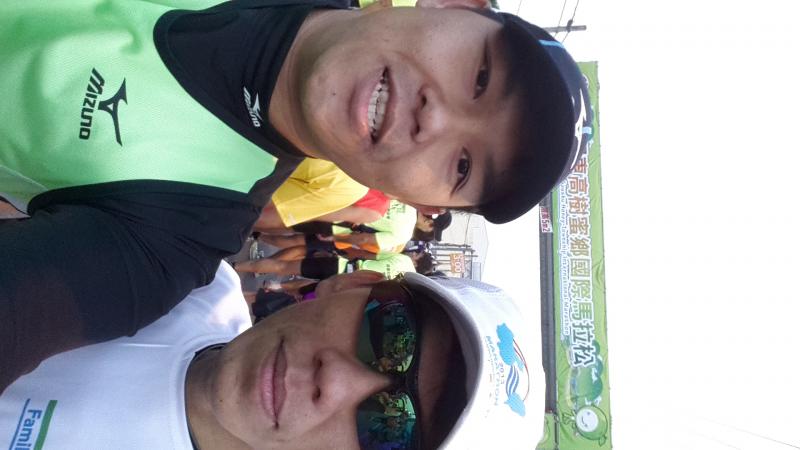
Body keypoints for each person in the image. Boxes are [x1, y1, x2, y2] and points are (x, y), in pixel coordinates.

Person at [0, 0, 591, 390]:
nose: (433, 120)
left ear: (425, 205)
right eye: (480, 76)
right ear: (455, 7)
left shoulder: (173, 237)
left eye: (462, 166)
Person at [1, 265, 545, 449]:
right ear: (351, 283)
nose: (335, 383)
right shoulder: (180, 271)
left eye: (391, 433)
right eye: (391, 332)